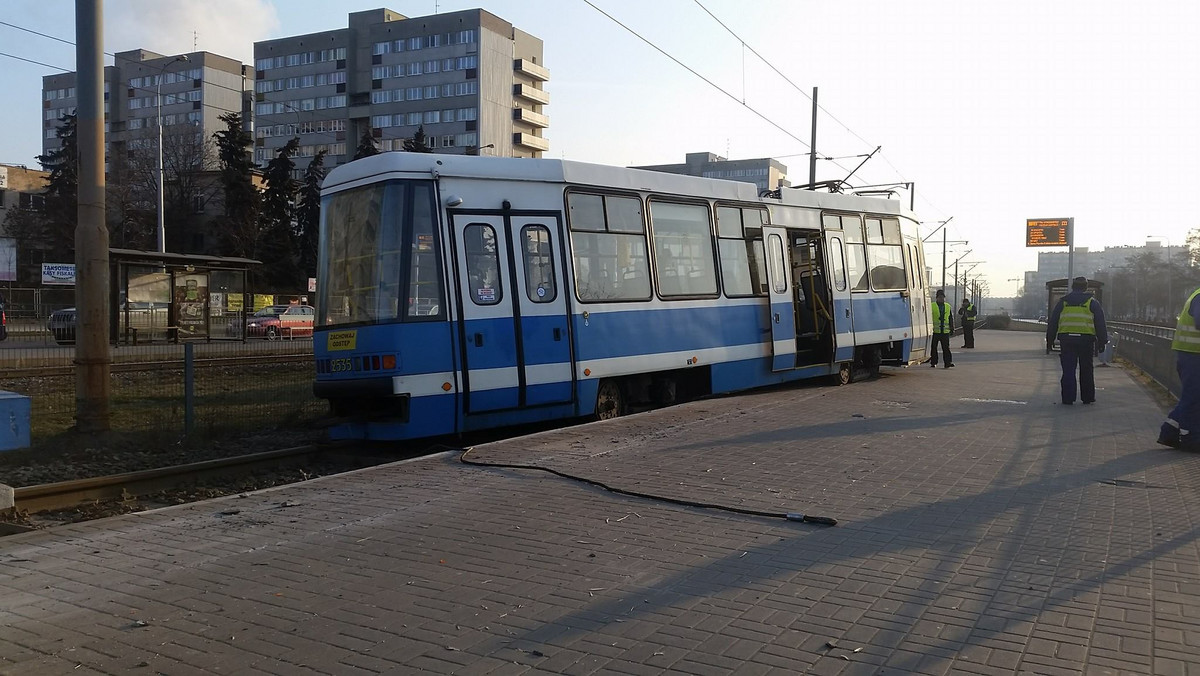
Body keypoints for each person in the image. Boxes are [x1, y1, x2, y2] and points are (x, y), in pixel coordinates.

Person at [1046, 276, 1107, 405]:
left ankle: (1068, 398)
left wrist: (1050, 340)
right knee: (1086, 370)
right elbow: (1100, 324)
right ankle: (1087, 397)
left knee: (1068, 369)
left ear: (1073, 287)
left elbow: (1053, 322)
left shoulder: (1063, 302)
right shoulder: (1092, 303)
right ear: (1085, 287)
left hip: (1067, 340)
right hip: (1086, 341)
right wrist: (1102, 342)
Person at [1159, 287, 1200, 448]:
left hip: (1190, 353)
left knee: (1193, 397)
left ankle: (1169, 431)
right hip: (1193, 355)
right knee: (1193, 397)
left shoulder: (1196, 294)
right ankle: (1191, 437)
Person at [930, 289, 954, 368]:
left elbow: (950, 318)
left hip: (945, 331)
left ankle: (948, 362)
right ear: (936, 298)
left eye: (943, 297)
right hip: (935, 331)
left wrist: (952, 328)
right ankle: (933, 362)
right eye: (940, 297)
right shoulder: (932, 306)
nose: (941, 299)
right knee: (934, 348)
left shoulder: (947, 306)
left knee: (946, 348)